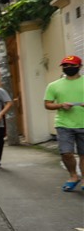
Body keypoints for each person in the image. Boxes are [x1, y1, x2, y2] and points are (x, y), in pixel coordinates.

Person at [44, 55, 84, 192]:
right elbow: (47, 104)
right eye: (65, 65)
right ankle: (73, 176)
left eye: (72, 65)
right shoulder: (54, 85)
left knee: (83, 154)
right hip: (64, 124)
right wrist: (61, 105)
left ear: (79, 66)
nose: (68, 68)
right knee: (66, 153)